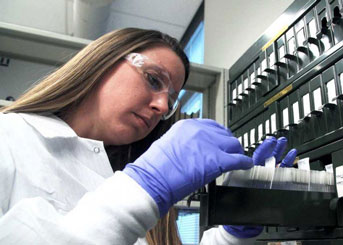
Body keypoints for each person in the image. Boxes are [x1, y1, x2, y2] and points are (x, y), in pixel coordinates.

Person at [0, 28, 297, 245]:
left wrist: (233, 231)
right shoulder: (9, 136)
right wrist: (140, 189)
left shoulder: (116, 177)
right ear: (102, 61)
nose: (162, 106)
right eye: (154, 80)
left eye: (171, 98)